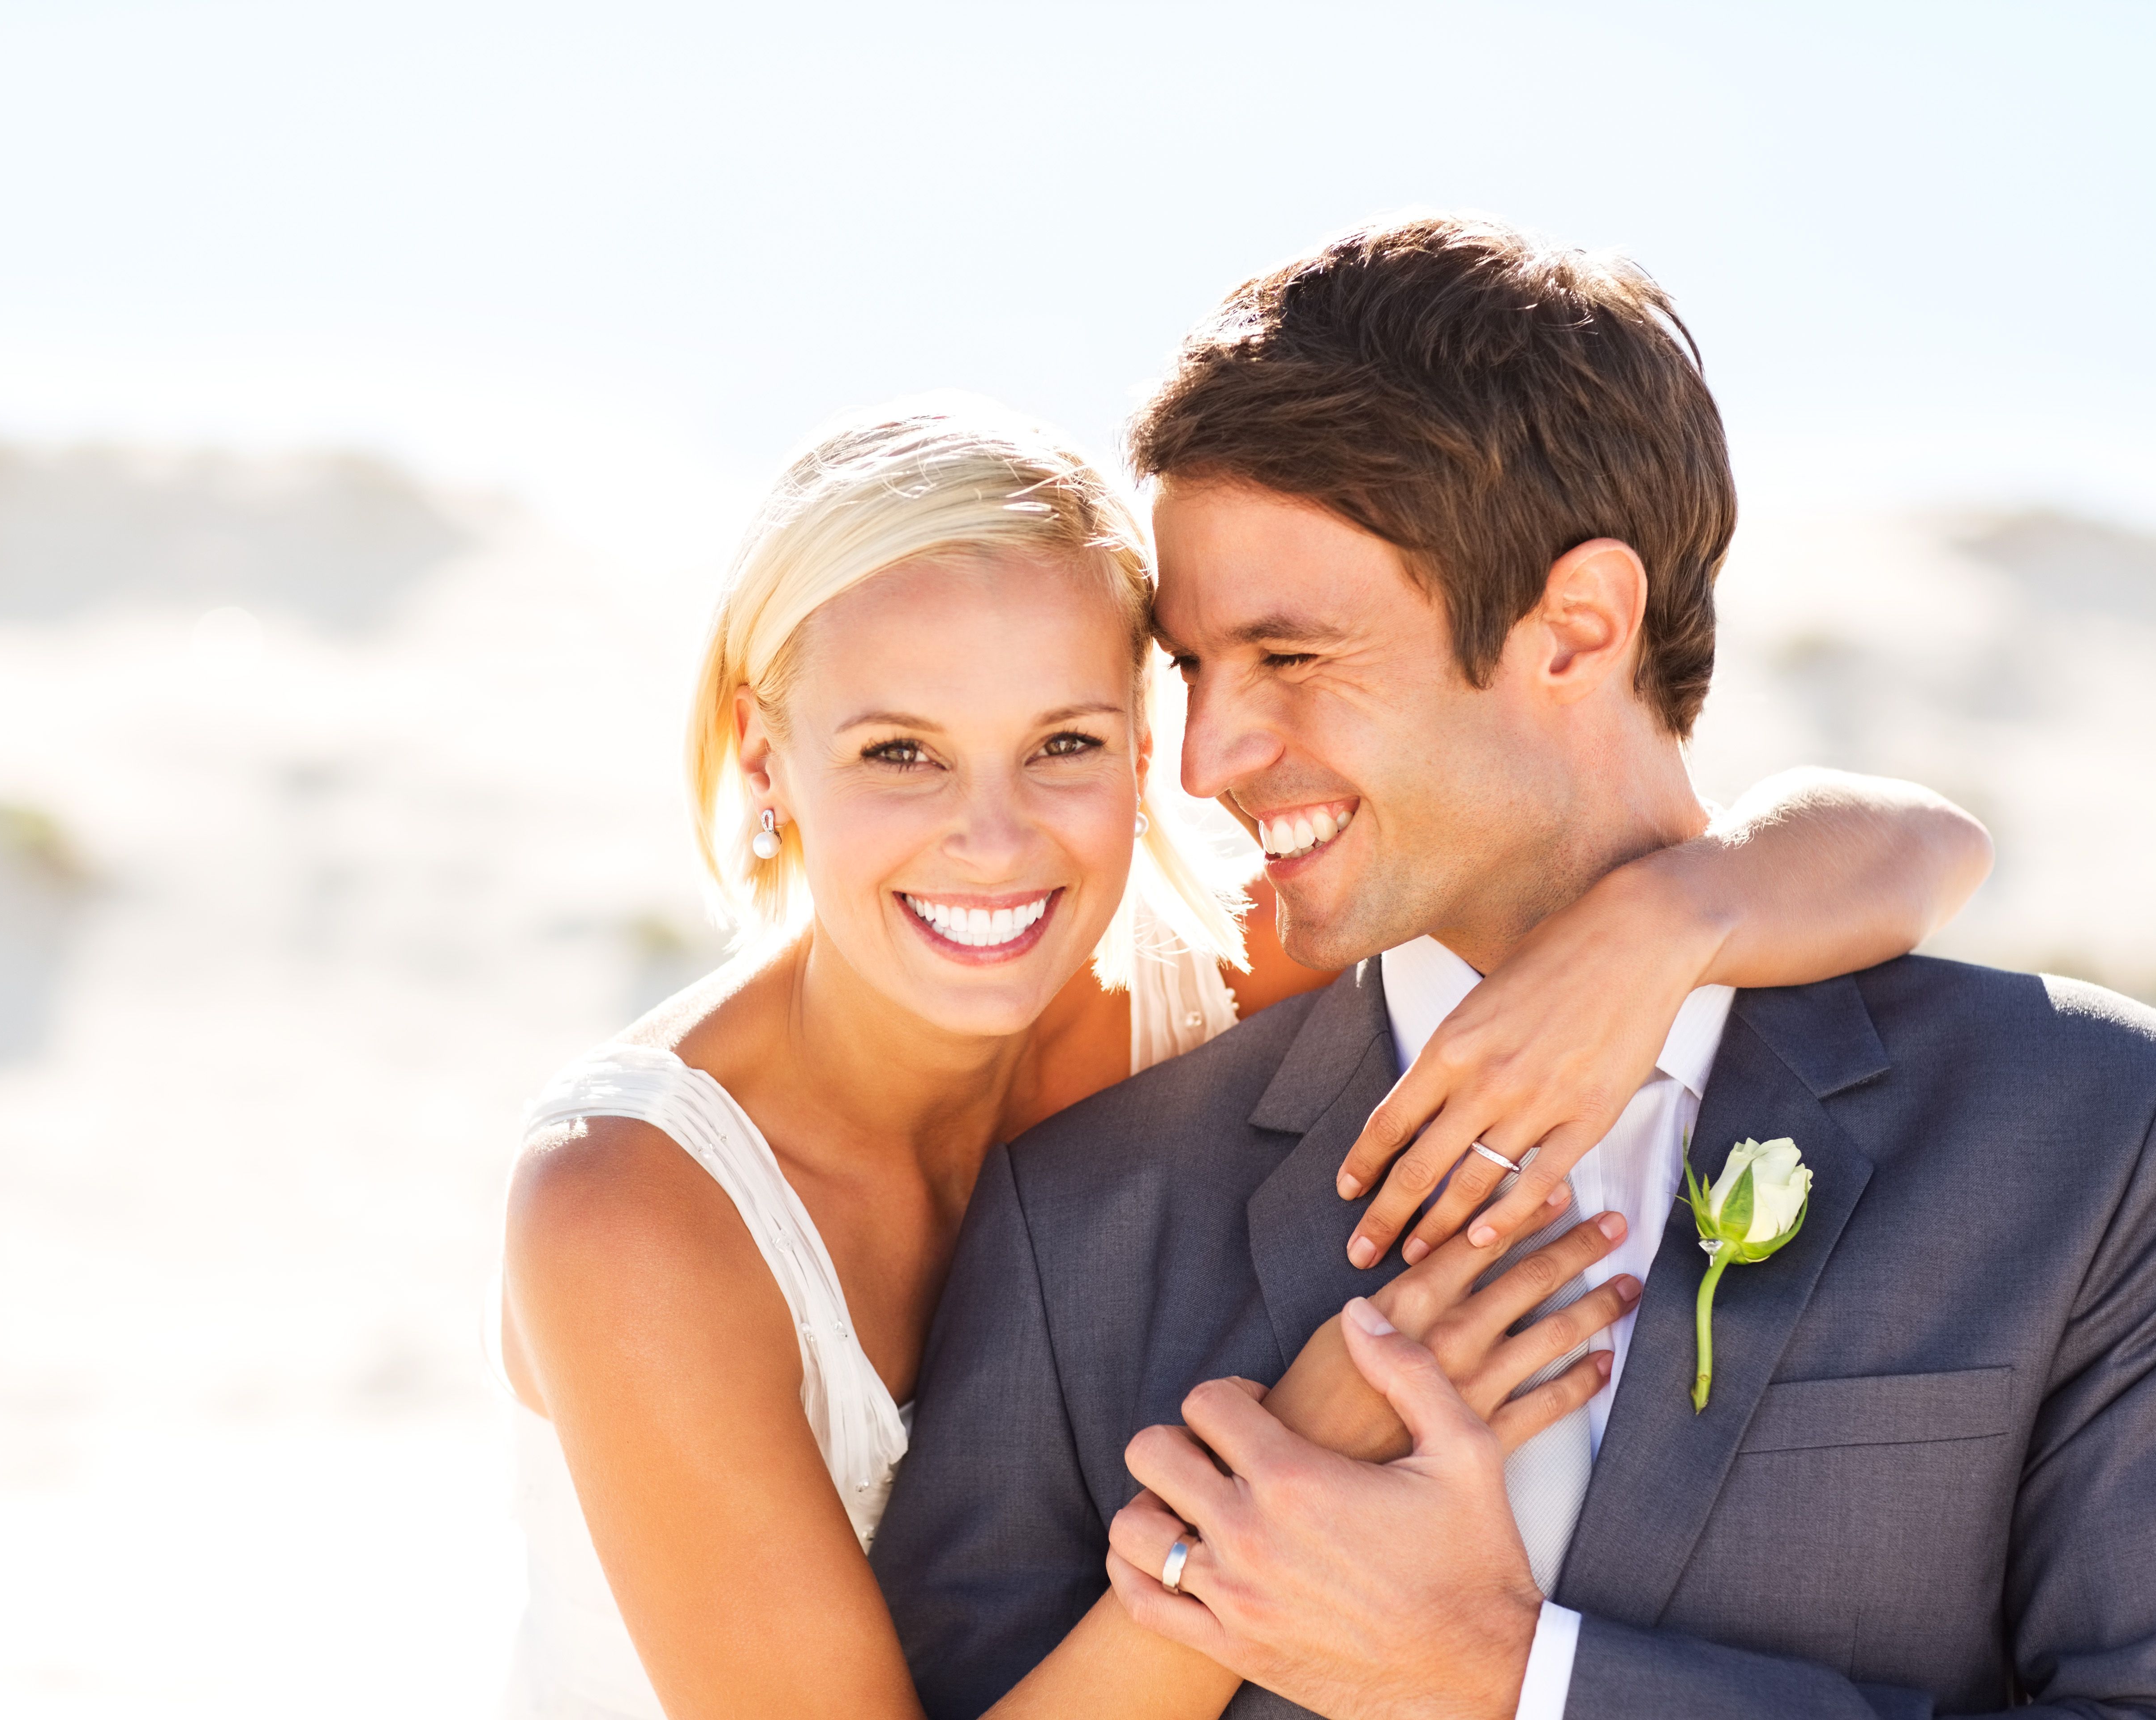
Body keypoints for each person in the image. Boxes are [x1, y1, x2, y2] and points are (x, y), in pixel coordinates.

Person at [871, 217, 2156, 1719]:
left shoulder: (2122, 1146)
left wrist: (1503, 1679)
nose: (1206, 761)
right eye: (1194, 669)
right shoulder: (1082, 1224)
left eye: (1293, 656)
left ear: (1577, 627)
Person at [498, 396, 1992, 1719]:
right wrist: (1295, 1451)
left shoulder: (1227, 966)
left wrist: (1671, 920)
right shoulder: (631, 1207)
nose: (995, 837)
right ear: (766, 760)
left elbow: (1927, 846)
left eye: (1065, 744)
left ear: (1149, 750)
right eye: (902, 753)